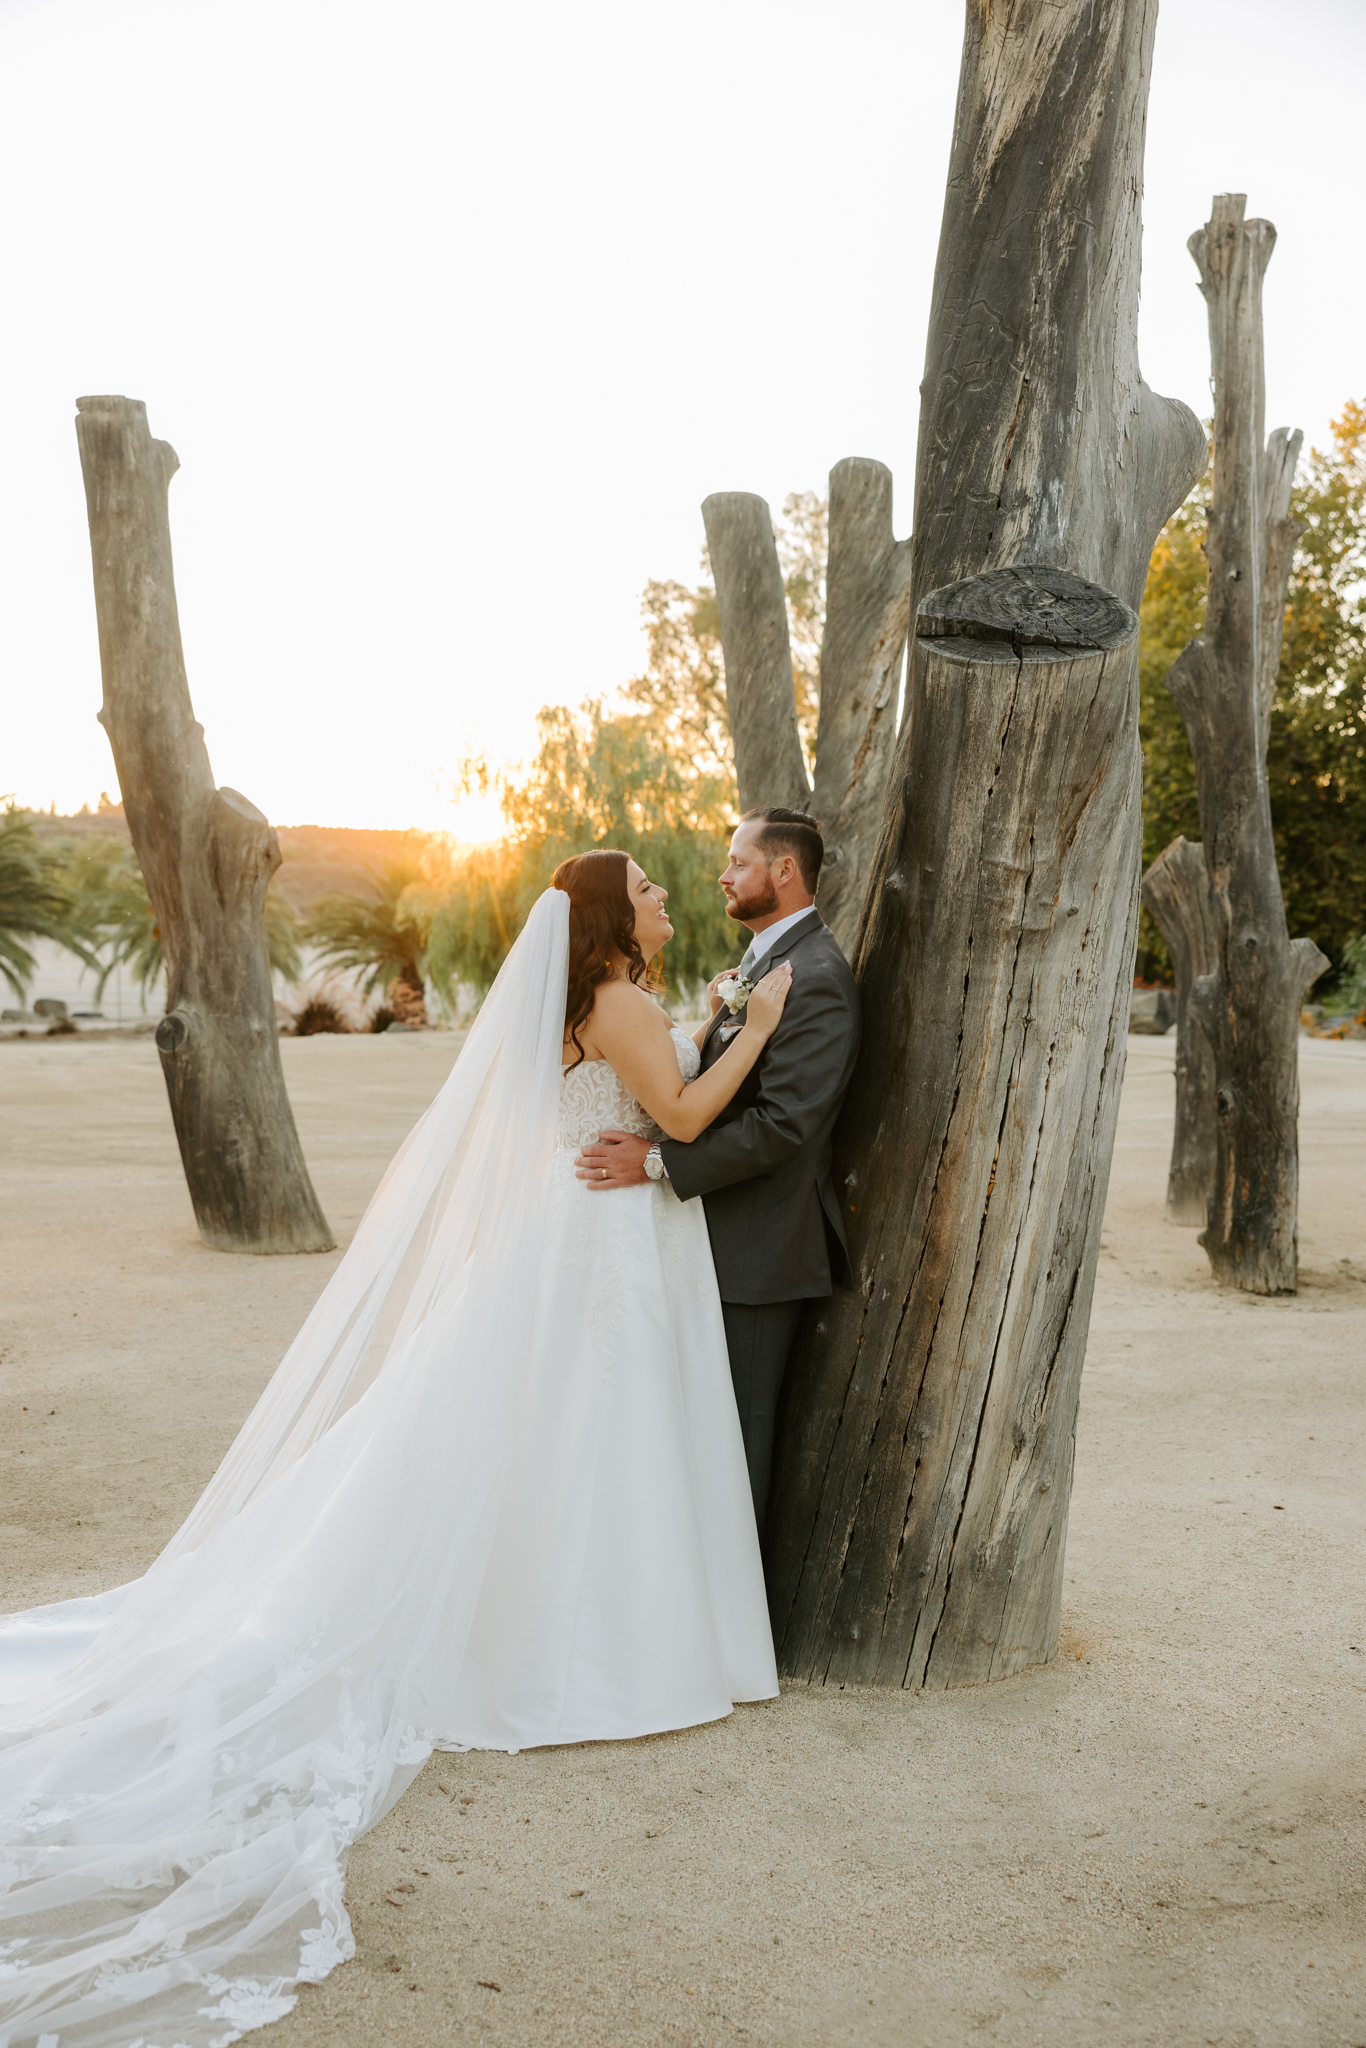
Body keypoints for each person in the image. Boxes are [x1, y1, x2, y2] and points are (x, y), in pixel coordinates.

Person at [0, 853, 789, 2048]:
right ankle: (596, 1646)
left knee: (561, 1443)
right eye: (648, 890)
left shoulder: (599, 998)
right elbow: (677, 1116)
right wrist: (757, 1026)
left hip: (587, 1232)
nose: (668, 898)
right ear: (608, 915)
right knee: (596, 1444)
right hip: (605, 1246)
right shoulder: (617, 1002)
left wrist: (714, 1018)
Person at [576, 808, 861, 1527]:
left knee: (736, 1447)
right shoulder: (763, 968)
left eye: (738, 861)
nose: (722, 875)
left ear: (784, 871)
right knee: (696, 1442)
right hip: (709, 1241)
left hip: (759, 1251)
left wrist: (658, 1163)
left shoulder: (817, 976)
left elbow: (783, 1126)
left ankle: (742, 1631)